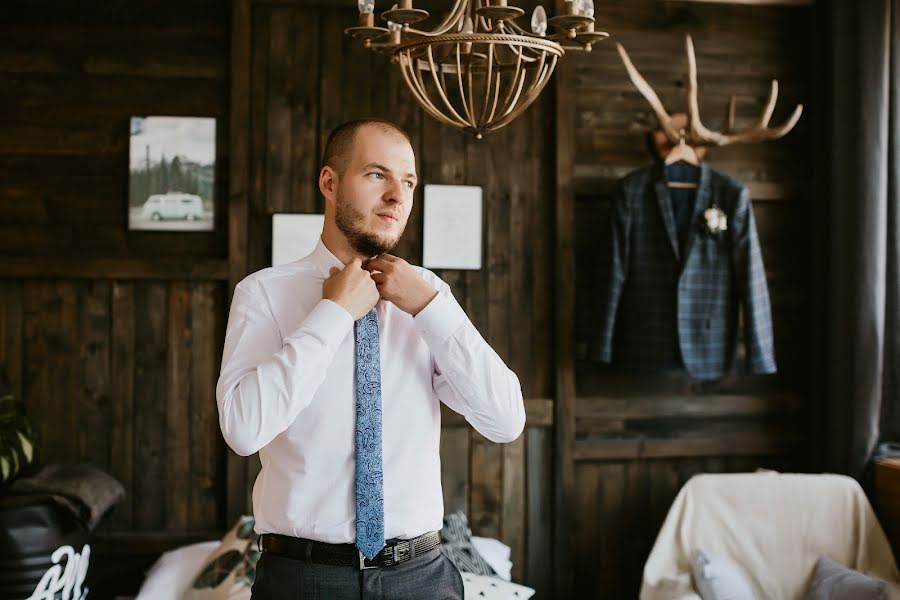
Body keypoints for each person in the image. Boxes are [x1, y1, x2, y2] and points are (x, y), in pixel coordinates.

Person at [215, 118, 525, 600]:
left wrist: (430, 308)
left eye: (408, 182)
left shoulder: (428, 298)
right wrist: (333, 314)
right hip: (305, 579)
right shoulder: (264, 295)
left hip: (423, 579)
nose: (397, 197)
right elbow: (242, 428)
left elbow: (506, 420)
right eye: (377, 175)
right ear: (330, 182)